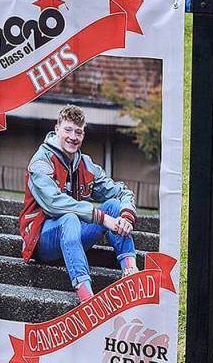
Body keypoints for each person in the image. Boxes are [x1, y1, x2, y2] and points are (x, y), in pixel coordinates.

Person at [19, 105, 139, 303]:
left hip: (73, 238)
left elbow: (122, 192)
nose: (73, 137)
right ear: (56, 129)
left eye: (78, 132)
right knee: (69, 218)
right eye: (68, 130)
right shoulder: (41, 161)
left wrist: (125, 217)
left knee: (113, 206)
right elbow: (52, 203)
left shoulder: (85, 164)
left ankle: (131, 272)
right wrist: (101, 218)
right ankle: (86, 296)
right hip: (41, 240)